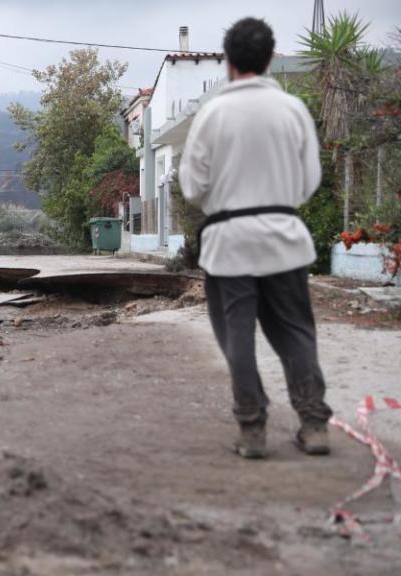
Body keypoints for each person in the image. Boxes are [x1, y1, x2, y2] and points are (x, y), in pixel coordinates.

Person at [179, 17, 332, 459]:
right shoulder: (293, 109)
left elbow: (192, 188)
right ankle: (314, 424)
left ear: (228, 61)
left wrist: (227, 203)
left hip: (229, 244)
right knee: (297, 332)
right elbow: (308, 181)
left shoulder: (212, 114)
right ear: (268, 59)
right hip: (285, 236)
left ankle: (252, 430)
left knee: (237, 336)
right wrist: (277, 202)